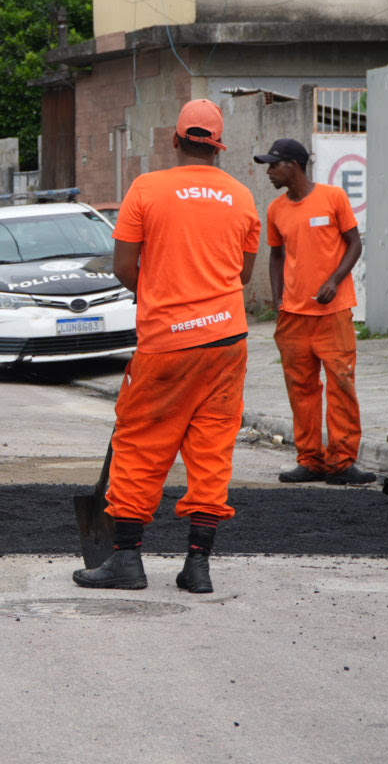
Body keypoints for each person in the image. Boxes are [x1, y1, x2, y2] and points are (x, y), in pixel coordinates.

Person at [74, 100, 261, 595]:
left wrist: (159, 292)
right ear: (219, 147)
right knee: (212, 450)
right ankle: (197, 566)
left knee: (141, 445)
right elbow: (242, 275)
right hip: (228, 343)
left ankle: (127, 560)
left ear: (176, 141)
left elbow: (123, 266)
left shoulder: (147, 189)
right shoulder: (242, 197)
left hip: (167, 344)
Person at [256, 138, 373, 486]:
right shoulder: (276, 209)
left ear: (293, 165)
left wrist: (335, 280)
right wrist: (278, 300)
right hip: (293, 317)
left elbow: (355, 243)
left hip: (333, 313)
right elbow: (276, 256)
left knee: (341, 385)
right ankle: (309, 459)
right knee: (301, 389)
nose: (269, 171)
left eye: (273, 165)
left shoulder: (333, 198)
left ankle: (341, 462)